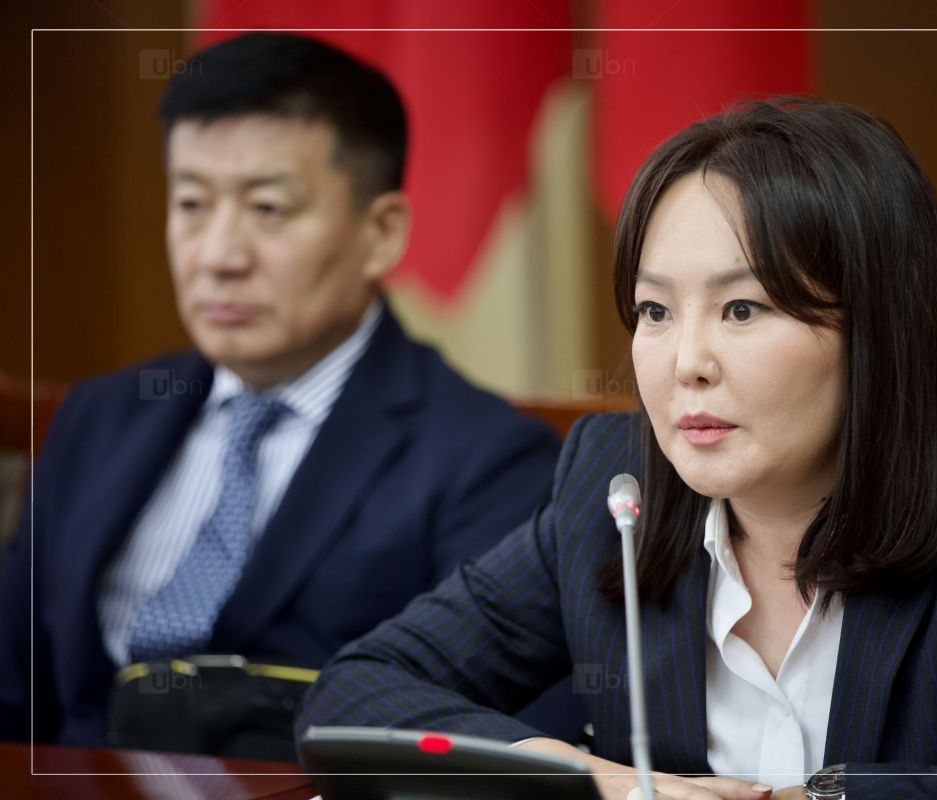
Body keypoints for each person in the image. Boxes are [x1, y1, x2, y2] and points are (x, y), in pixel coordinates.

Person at [295, 96, 937, 799]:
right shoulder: (613, 486)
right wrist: (591, 779)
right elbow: (359, 691)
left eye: (742, 308)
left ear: (878, 329)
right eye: (655, 311)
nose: (684, 363)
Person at [0, 32, 577, 753]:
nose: (219, 256)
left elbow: (497, 744)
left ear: (381, 232)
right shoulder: (99, 417)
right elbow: (13, 691)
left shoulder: (486, 460)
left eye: (268, 208)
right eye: (191, 203)